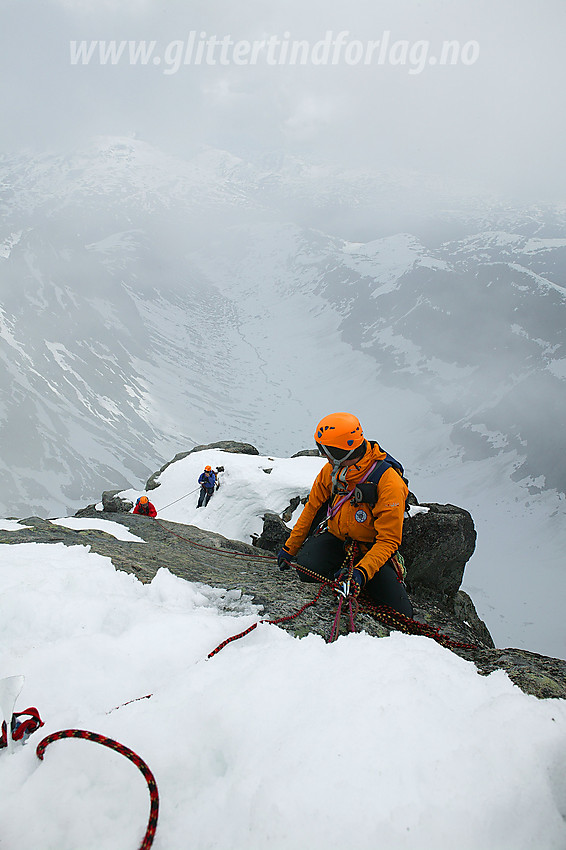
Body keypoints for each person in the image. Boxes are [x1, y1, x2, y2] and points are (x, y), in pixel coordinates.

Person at [277, 412, 413, 617]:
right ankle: (345, 577)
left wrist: (361, 573)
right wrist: (291, 547)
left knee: (400, 614)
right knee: (306, 569)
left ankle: (358, 580)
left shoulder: (388, 482)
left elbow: (389, 540)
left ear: (341, 452)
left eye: (325, 449)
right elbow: (312, 509)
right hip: (336, 537)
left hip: (371, 548)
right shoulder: (332, 471)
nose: (323, 455)